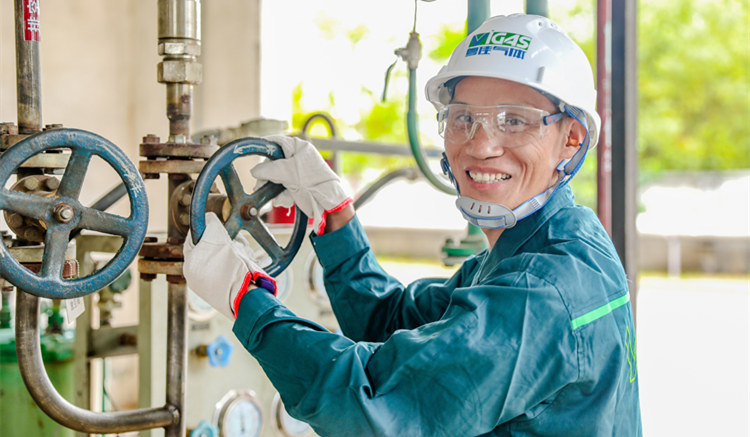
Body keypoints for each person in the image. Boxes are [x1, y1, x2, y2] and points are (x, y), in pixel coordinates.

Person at [183, 13, 642, 437]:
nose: (481, 146)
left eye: (515, 121)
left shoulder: (542, 289)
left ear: (571, 138)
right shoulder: (551, 243)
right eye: (463, 118)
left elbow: (375, 403)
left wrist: (245, 300)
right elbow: (391, 321)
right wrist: (334, 215)